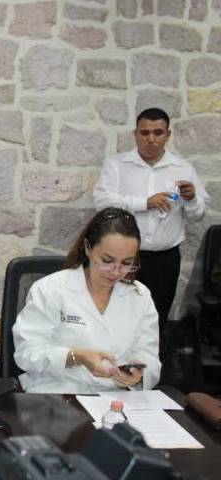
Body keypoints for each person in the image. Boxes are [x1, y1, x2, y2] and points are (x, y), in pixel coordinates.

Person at [12, 208, 161, 394]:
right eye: (107, 260)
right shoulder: (51, 289)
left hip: (117, 395)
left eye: (126, 263)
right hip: (58, 391)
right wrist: (76, 357)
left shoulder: (140, 295)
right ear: (88, 248)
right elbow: (27, 353)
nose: (115, 272)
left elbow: (148, 354)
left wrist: (139, 372)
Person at [93, 108, 208, 336]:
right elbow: (102, 202)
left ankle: (153, 358)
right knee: (115, 314)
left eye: (158, 133)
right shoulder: (117, 165)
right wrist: (145, 203)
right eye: (145, 133)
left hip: (165, 260)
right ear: (135, 134)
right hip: (121, 259)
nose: (151, 139)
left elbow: (198, 215)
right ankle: (114, 356)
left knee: (157, 317)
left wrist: (192, 199)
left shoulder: (183, 169)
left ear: (168, 134)